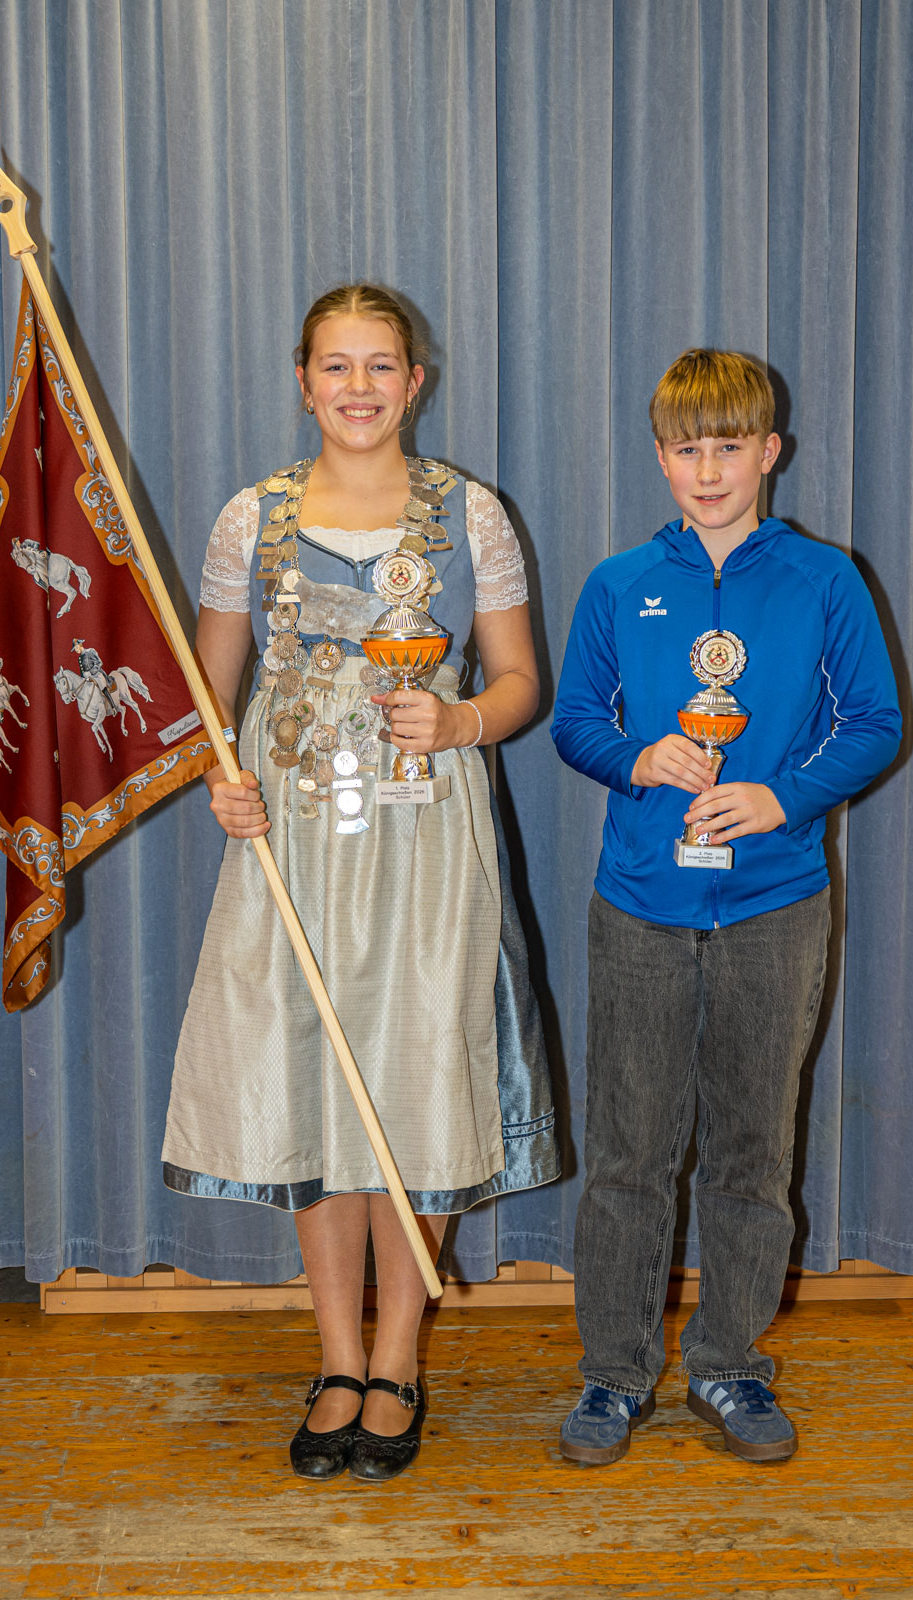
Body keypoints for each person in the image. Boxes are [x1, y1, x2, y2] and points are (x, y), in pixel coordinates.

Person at [163, 283, 558, 1483]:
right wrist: (220, 781)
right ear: (302, 380)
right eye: (335, 367)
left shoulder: (469, 515)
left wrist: (458, 721)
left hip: (426, 832)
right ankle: (334, 1353)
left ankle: (399, 1356)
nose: (357, 389)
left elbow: (518, 683)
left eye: (379, 366)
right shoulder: (250, 518)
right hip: (295, 837)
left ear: (414, 381)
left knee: (415, 1078)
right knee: (312, 1078)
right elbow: (206, 694)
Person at [551, 348, 901, 1465]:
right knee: (627, 1151)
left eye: (728, 446)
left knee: (752, 1151)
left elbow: (873, 725)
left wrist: (778, 794)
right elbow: (571, 722)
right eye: (685, 448)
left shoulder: (824, 579)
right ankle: (612, 1374)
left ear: (769, 453)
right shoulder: (616, 582)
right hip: (642, 904)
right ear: (659, 456)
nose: (707, 469)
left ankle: (729, 1363)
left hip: (776, 904)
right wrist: (637, 756)